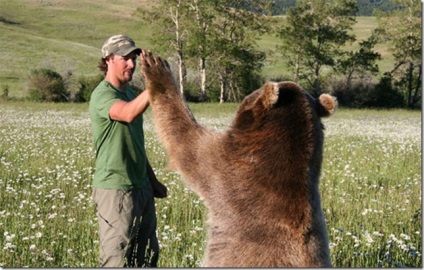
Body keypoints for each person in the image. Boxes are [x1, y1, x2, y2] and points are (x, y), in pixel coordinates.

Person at [89, 34, 167, 268]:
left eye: (134, 58)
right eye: (125, 58)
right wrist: (155, 84)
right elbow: (127, 113)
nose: (131, 64)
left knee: (145, 258)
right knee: (117, 260)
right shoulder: (103, 95)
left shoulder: (131, 94)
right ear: (108, 59)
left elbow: (136, 145)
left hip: (140, 188)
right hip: (116, 190)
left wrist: (152, 181)